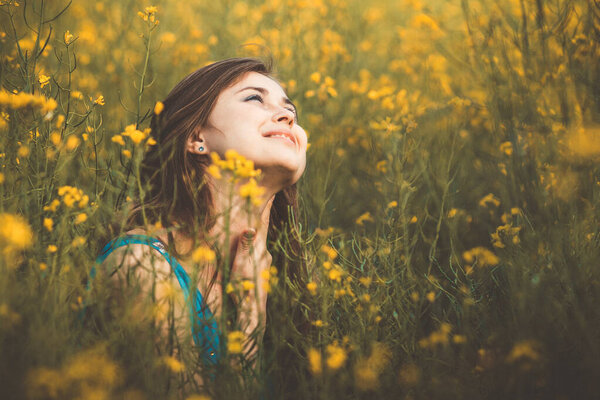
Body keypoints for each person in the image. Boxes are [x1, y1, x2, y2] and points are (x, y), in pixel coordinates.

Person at [94, 58, 308, 378]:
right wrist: (250, 322)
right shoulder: (141, 266)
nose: (287, 115)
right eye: (254, 98)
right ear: (197, 138)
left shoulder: (283, 283)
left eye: (291, 110)